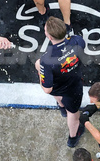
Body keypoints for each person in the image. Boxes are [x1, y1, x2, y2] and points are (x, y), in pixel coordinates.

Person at [36, 17, 87, 146]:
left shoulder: (46, 59)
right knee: (73, 110)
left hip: (58, 87)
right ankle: (72, 136)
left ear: (50, 37)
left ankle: (72, 136)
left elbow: (47, 89)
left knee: (73, 115)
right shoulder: (78, 41)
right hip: (73, 86)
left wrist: (40, 73)